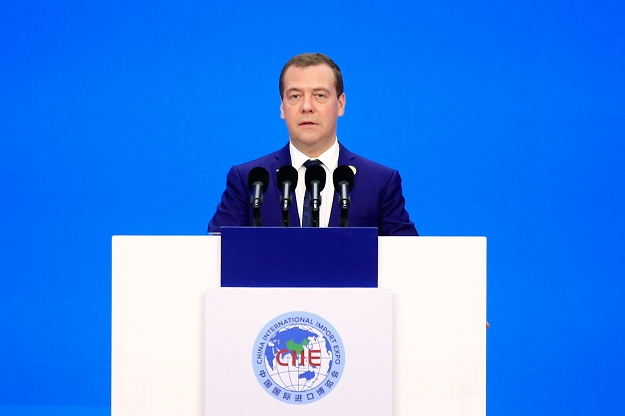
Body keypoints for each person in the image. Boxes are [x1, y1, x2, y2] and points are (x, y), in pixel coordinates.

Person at [208, 53, 418, 236]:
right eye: (295, 96)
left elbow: (406, 260)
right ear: (282, 107)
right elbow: (213, 256)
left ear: (340, 104)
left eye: (319, 95)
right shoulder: (249, 180)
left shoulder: (380, 182)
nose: (307, 107)